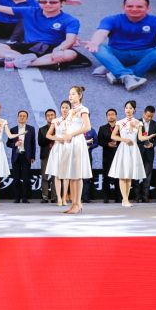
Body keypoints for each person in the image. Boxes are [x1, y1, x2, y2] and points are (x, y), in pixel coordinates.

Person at [84, 0, 156, 91]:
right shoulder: (111, 19)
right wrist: (95, 42)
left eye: (139, 7)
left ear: (148, 8)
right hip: (119, 54)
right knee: (96, 46)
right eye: (130, 6)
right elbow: (101, 32)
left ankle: (116, 71)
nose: (134, 9)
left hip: (146, 56)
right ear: (123, 7)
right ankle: (126, 75)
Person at [57, 86, 92, 214]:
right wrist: (65, 134)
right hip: (69, 143)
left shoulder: (83, 109)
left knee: (77, 175)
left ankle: (78, 203)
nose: (70, 96)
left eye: (73, 94)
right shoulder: (71, 111)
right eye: (69, 94)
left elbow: (87, 127)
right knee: (71, 175)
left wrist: (72, 134)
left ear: (80, 95)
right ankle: (73, 204)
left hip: (77, 142)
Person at [109, 100, 148, 207]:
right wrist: (123, 139)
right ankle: (125, 199)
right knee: (123, 175)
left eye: (130, 108)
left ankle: (125, 199)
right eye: (126, 108)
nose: (128, 110)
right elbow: (113, 136)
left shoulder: (138, 123)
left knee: (129, 175)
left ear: (134, 110)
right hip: (123, 149)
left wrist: (149, 137)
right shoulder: (120, 122)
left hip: (133, 149)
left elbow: (140, 137)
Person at [6, 110, 36, 204]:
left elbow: (33, 143)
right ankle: (17, 198)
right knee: (16, 178)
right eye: (20, 116)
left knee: (26, 178)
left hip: (26, 156)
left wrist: (33, 156)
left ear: (27, 118)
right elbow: (8, 143)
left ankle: (25, 198)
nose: (22, 117)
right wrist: (14, 144)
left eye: (24, 116)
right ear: (17, 117)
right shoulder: (13, 129)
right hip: (16, 156)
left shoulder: (31, 129)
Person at [44, 101, 70, 207]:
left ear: (70, 109)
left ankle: (64, 198)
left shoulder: (73, 120)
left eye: (67, 107)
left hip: (68, 148)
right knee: (58, 175)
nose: (64, 109)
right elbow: (48, 135)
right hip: (58, 148)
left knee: (67, 175)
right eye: (63, 107)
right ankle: (59, 198)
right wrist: (58, 139)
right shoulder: (56, 121)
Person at [136, 106, 156, 202]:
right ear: (144, 113)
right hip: (138, 151)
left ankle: (145, 196)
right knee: (136, 174)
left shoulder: (155, 124)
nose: (149, 118)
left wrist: (152, 144)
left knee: (148, 175)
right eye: (147, 116)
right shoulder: (137, 122)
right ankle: (136, 196)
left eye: (151, 116)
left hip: (149, 152)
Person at [98, 108, 121, 203]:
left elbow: (123, 139)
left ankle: (118, 197)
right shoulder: (102, 128)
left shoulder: (120, 128)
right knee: (106, 177)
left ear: (116, 116)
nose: (111, 116)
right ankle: (106, 197)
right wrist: (107, 144)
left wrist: (117, 143)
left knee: (118, 177)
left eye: (113, 114)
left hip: (118, 155)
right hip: (107, 156)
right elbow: (99, 141)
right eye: (109, 115)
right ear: (107, 117)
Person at [37, 108, 57, 204]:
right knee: (44, 176)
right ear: (45, 118)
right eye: (48, 115)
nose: (50, 117)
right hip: (45, 155)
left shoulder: (59, 128)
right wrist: (50, 136)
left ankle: (54, 197)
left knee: (55, 177)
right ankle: (44, 196)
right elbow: (40, 142)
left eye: (52, 115)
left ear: (55, 116)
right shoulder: (42, 129)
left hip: (57, 155)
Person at [81, 125, 99, 203]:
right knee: (76, 176)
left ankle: (85, 197)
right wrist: (86, 142)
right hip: (76, 154)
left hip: (87, 155)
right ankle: (75, 197)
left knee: (87, 176)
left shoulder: (91, 130)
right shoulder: (76, 129)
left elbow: (96, 143)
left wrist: (90, 146)